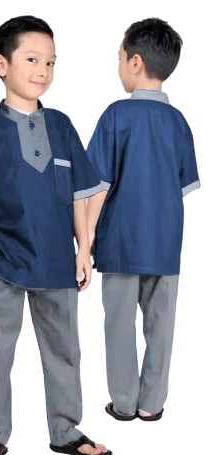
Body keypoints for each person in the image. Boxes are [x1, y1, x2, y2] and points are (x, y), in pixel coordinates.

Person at [0, 15, 111, 455]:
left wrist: (83, 250)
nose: (43, 71)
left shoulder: (61, 126)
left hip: (58, 262)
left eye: (51, 62)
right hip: (5, 262)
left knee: (65, 351)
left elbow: (80, 194)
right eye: (33, 60)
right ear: (1, 65)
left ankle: (66, 431)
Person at [86, 18, 200, 422]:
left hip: (120, 243)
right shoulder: (179, 122)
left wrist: (85, 240)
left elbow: (96, 187)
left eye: (119, 57)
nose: (118, 65)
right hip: (165, 245)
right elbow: (183, 185)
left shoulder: (116, 115)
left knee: (118, 326)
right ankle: (152, 404)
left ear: (135, 62)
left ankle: (123, 403)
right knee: (161, 325)